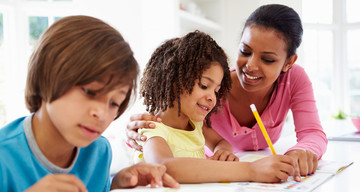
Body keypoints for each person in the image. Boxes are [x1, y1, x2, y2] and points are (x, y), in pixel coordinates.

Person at [0, 15, 179, 192]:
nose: (102, 114)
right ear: (47, 75)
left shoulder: (100, 151)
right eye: (90, 92)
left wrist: (117, 188)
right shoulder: (4, 157)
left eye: (114, 103)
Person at [126, 4, 327, 178]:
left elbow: (312, 133)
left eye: (267, 59)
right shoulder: (180, 113)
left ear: (289, 62)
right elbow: (164, 153)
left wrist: (301, 151)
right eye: (245, 51)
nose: (251, 66)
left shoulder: (294, 79)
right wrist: (250, 171)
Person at [134, 30, 299, 184]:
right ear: (174, 81)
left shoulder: (195, 125)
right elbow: (165, 168)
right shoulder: (152, 129)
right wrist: (250, 170)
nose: (212, 98)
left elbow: (221, 141)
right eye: (204, 86)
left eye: (216, 91)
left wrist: (223, 151)